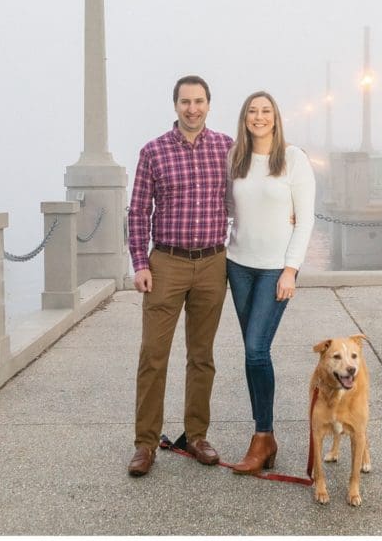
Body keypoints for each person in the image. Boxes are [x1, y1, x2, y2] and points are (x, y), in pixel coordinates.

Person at [126, 75, 235, 477]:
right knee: (153, 356)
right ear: (175, 105)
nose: (193, 108)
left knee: (202, 357)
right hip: (166, 263)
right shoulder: (153, 152)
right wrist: (140, 262)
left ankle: (196, 435)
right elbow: (138, 211)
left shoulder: (227, 148)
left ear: (209, 104)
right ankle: (145, 443)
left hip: (212, 263)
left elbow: (248, 195)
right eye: (185, 101)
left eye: (199, 101)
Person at [224, 91, 316, 474]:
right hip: (238, 265)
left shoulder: (293, 160)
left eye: (266, 111)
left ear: (276, 118)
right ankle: (264, 436)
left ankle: (263, 437)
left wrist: (291, 270)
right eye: (252, 111)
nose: (259, 117)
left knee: (256, 349)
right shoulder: (236, 159)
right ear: (245, 118)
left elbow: (306, 218)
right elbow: (228, 209)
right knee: (252, 352)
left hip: (275, 270)